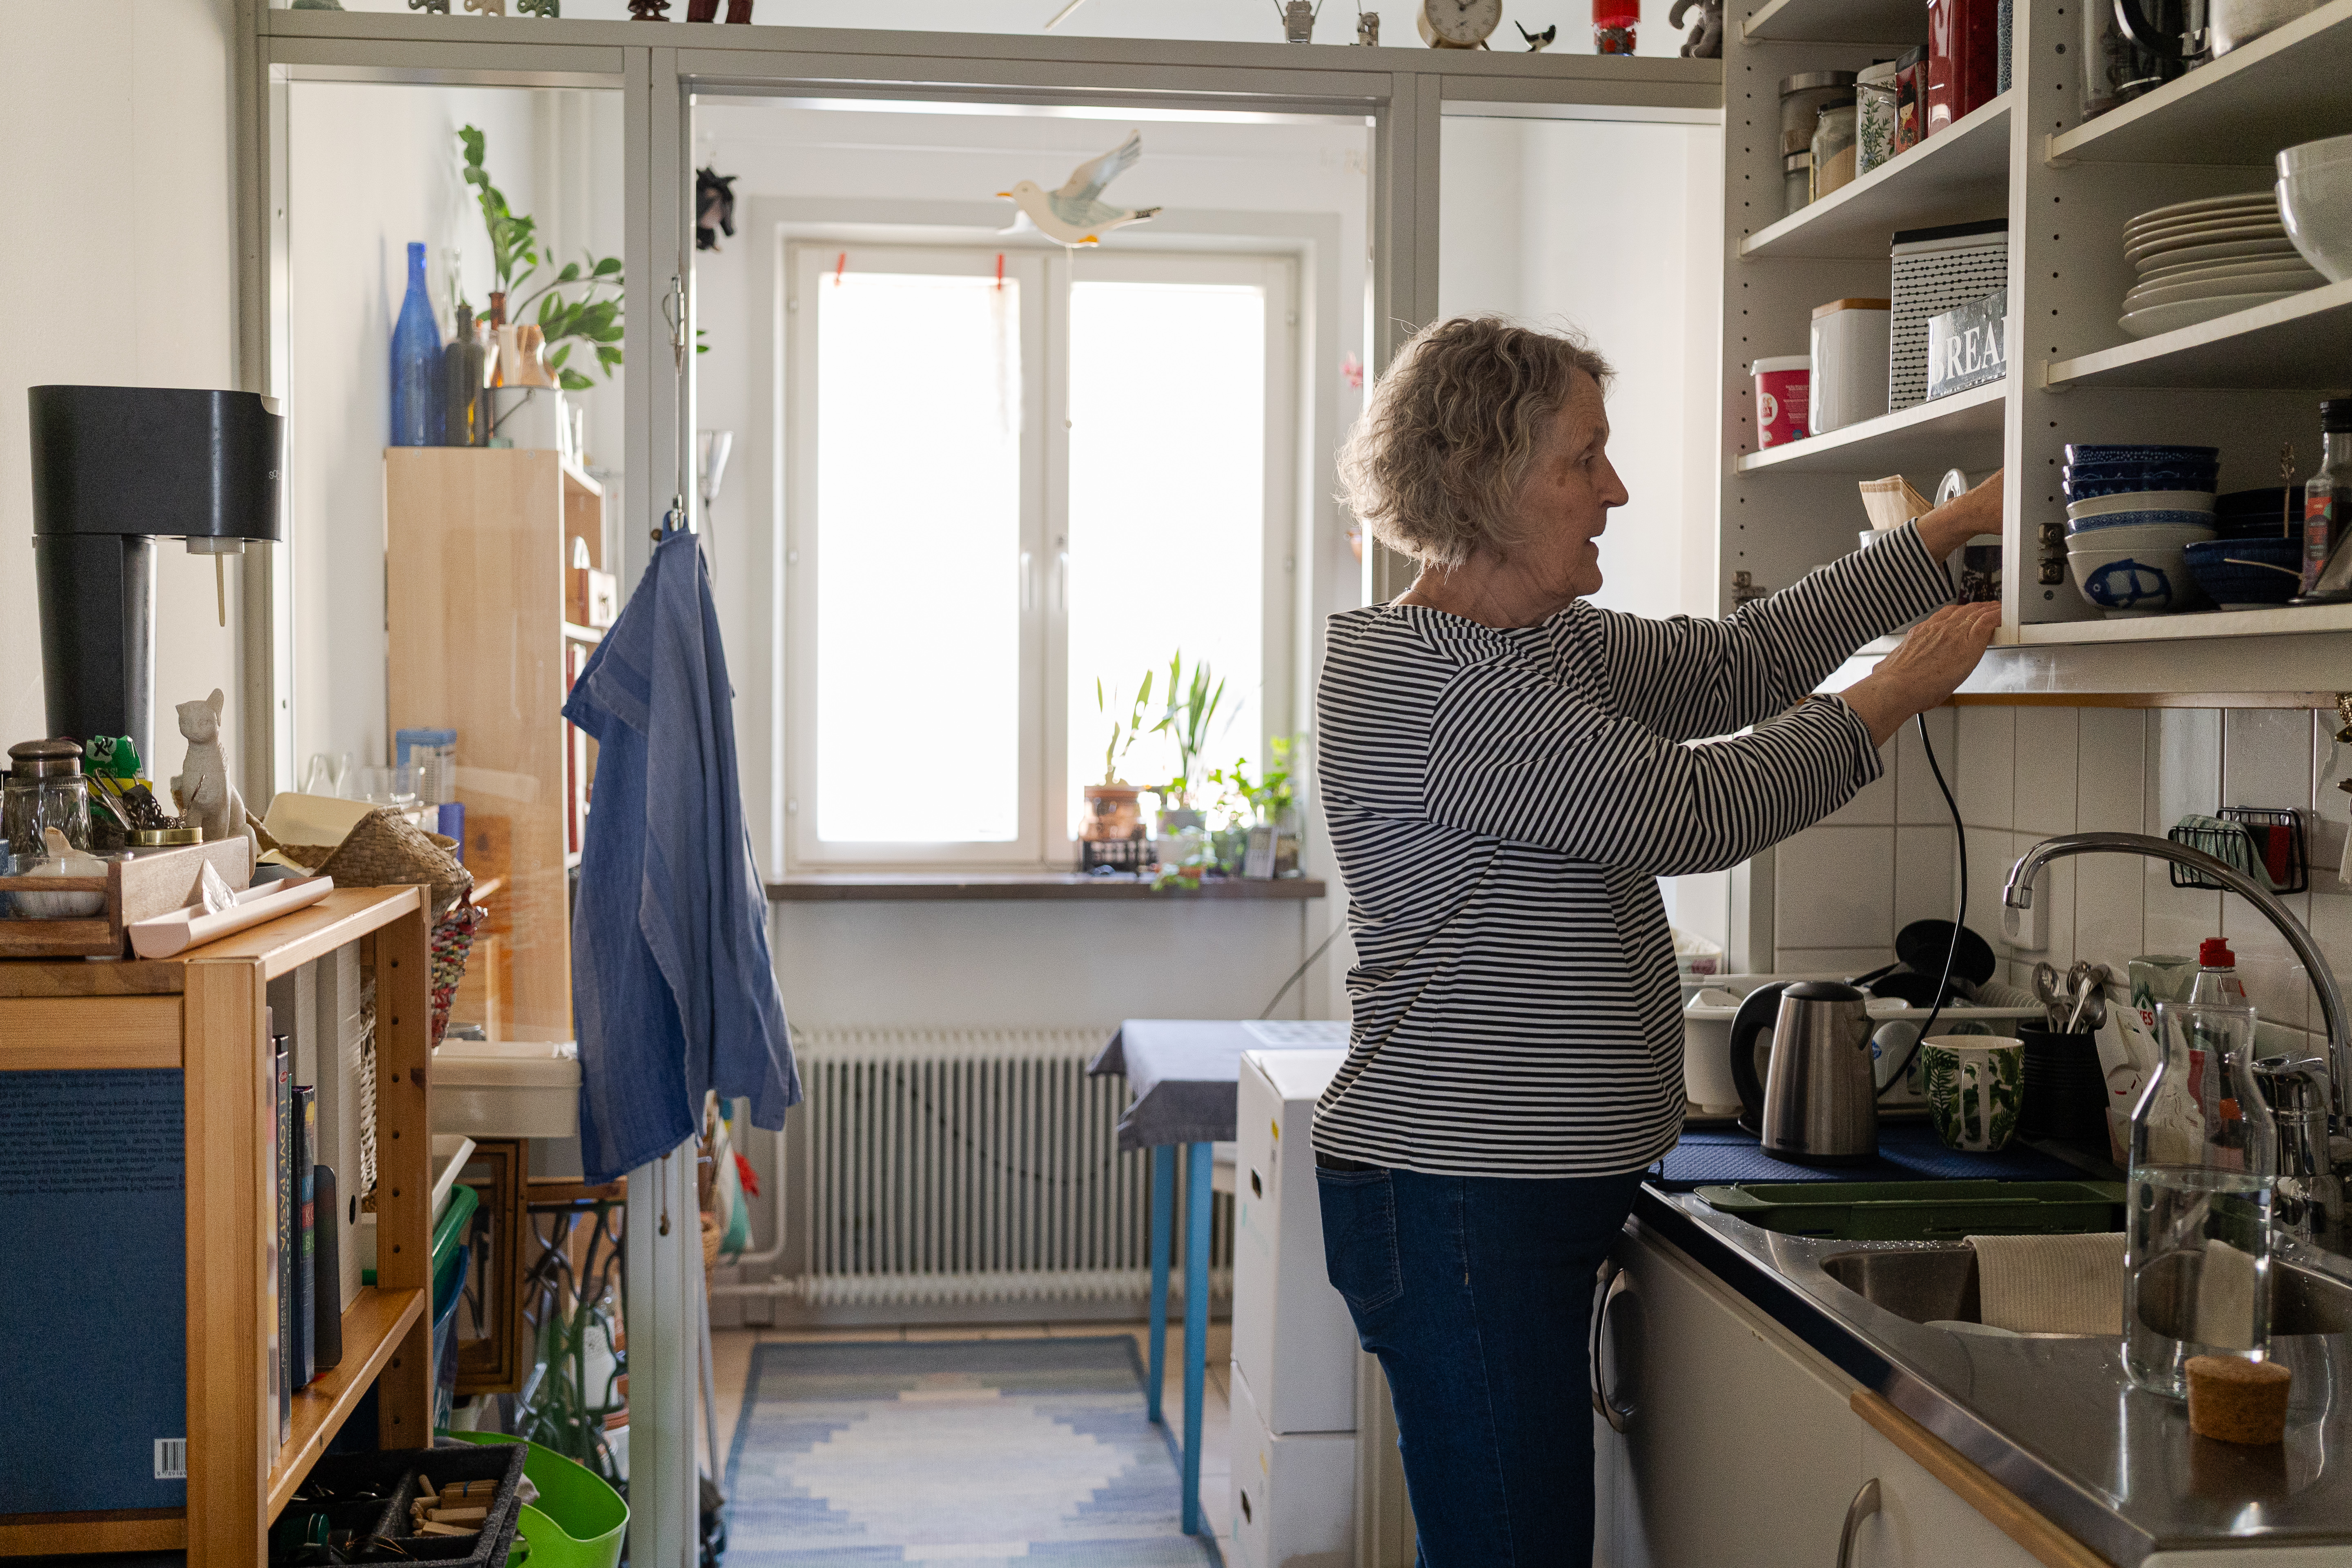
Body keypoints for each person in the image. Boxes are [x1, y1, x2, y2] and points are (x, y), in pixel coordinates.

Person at [1312, 316, 2000, 1564]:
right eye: (1584, 459)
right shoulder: (1432, 683)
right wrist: (1894, 692)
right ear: (1483, 475)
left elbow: (1739, 666)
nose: (1616, 489)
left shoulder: (1540, 642)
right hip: (1461, 1202)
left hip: (1517, 1194)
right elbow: (1693, 810)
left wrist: (1947, 533)